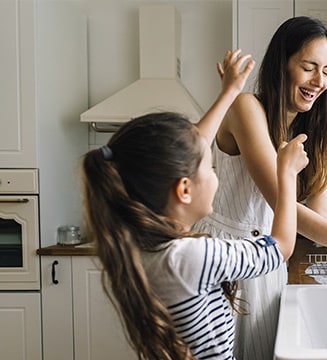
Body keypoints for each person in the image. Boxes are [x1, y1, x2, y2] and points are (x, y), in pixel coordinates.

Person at [193, 16, 327, 359]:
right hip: (224, 260)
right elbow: (282, 202)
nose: (320, 80)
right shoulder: (246, 108)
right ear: (281, 66)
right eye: (309, 67)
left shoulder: (310, 133)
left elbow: (321, 220)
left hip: (268, 263)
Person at [81, 49, 309, 359]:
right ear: (184, 190)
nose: (216, 176)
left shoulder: (144, 246)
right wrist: (286, 174)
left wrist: (229, 92)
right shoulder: (193, 256)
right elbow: (280, 247)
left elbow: (193, 146)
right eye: (210, 168)